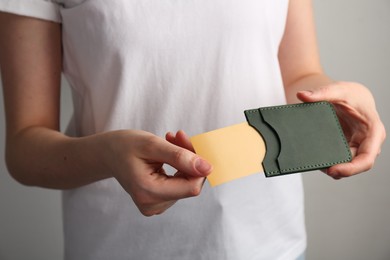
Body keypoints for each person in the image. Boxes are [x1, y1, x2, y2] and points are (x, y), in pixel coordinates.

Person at [0, 0, 385, 259]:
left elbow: (298, 74)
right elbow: (25, 145)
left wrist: (336, 105)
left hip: (266, 241)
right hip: (117, 243)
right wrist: (106, 154)